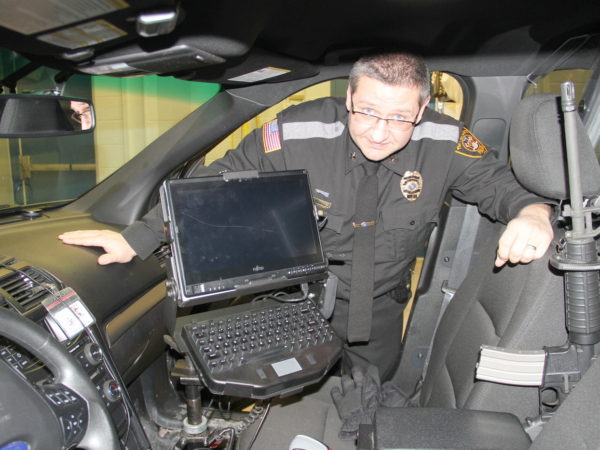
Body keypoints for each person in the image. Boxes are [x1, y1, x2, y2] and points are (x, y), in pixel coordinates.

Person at [58, 52, 553, 381]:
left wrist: (533, 214)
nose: (381, 133)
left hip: (381, 306)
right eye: (367, 112)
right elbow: (214, 186)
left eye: (400, 117)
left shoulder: (446, 141)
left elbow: (499, 188)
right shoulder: (299, 130)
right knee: (288, 397)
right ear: (349, 100)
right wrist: (137, 238)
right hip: (299, 298)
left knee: (368, 397)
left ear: (422, 110)